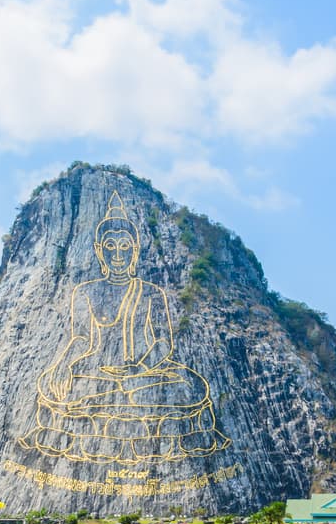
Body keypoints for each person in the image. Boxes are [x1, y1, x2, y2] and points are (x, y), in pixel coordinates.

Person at [19, 191, 230, 464]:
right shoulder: (86, 291)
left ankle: (119, 409)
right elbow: (82, 338)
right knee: (56, 384)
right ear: (98, 250)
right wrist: (63, 364)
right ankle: (118, 410)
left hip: (144, 375)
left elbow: (163, 342)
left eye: (125, 247)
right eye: (110, 246)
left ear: (135, 250)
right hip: (99, 375)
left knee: (189, 385)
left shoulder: (151, 292)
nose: (117, 254)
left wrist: (139, 369)